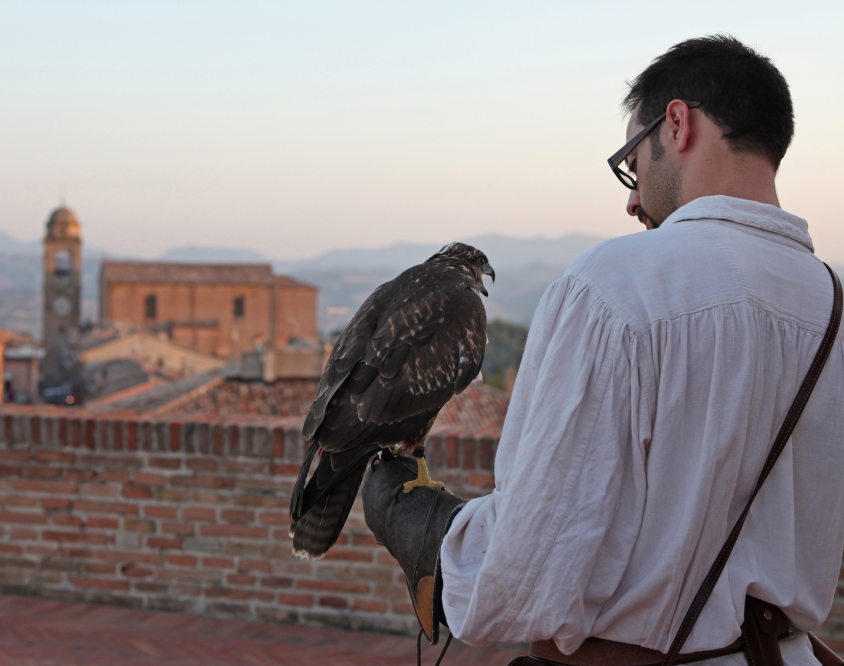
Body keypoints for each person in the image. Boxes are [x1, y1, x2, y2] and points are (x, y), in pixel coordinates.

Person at [362, 35, 844, 666]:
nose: (633, 195)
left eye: (632, 160)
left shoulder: (616, 284)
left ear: (676, 124)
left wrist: (437, 535)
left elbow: (529, 572)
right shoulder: (832, 304)